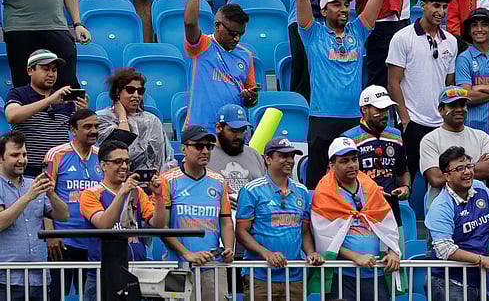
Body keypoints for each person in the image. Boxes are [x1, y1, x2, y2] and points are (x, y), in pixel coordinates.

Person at [294, 0, 392, 188]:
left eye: (346, 4)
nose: (343, 8)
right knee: (318, 184)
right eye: (336, 5)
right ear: (324, 10)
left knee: (352, 183)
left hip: (353, 120)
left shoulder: (358, 30)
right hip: (322, 117)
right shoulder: (312, 32)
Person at [312, 137, 403, 301]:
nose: (352, 165)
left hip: (374, 274)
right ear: (332, 166)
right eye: (344, 161)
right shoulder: (324, 193)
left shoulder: (371, 188)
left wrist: (393, 252)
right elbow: (324, 239)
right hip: (342, 275)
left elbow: (387, 226)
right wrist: (356, 257)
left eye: (354, 159)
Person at [235, 137, 322, 301]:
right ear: (267, 159)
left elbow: (304, 231)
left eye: (291, 156)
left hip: (294, 275)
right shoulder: (251, 190)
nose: (289, 160)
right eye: (283, 156)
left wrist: (310, 253)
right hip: (260, 274)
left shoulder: (302, 191)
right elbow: (241, 232)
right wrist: (267, 254)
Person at [387, 0, 457, 183]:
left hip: (440, 123)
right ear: (423, 5)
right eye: (436, 6)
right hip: (412, 123)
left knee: (442, 181)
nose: (440, 12)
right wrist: (405, 120)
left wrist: (446, 118)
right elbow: (393, 82)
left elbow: (449, 84)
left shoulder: (450, 41)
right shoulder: (402, 38)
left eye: (444, 7)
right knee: (404, 180)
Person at [156, 126, 236, 301]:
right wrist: (186, 253)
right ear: (184, 148)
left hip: (212, 264)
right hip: (177, 266)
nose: (205, 151)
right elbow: (163, 227)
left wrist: (229, 247)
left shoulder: (218, 181)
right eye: (199, 146)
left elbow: (226, 221)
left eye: (209, 146)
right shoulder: (168, 180)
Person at [425, 145, 489, 301]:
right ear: (447, 176)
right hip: (448, 283)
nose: (467, 172)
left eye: (469, 166)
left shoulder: (481, 189)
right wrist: (482, 260)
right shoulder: (441, 205)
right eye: (460, 168)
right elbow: (445, 250)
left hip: (477, 280)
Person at [78, 140, 160, 301]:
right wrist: (122, 193)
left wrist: (158, 194)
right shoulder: (90, 194)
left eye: (127, 162)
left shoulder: (137, 192)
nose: (124, 166)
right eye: (117, 161)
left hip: (135, 270)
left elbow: (158, 224)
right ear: (103, 165)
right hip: (101, 273)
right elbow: (104, 224)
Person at [182, 0, 257, 130]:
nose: (236, 39)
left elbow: (252, 97)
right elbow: (190, 23)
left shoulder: (245, 55)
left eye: (240, 34)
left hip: (234, 132)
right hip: (202, 130)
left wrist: (250, 98)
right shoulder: (201, 45)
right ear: (217, 25)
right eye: (232, 33)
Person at [0, 131, 70, 301]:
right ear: (1, 158)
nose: (22, 160)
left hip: (39, 279)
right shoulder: (31, 190)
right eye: (15, 155)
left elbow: (63, 216)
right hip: (6, 280)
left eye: (24, 154)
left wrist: (52, 194)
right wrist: (28, 197)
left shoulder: (35, 185)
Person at [42, 107, 99, 297]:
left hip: (93, 241)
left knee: (92, 296)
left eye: (96, 126)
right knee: (57, 295)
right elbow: (44, 194)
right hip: (63, 241)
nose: (93, 131)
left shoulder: (103, 157)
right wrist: (50, 234)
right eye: (87, 126)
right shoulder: (55, 154)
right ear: (73, 130)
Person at [5, 50, 85, 178]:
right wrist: (49, 100)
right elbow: (12, 116)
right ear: (30, 70)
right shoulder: (19, 93)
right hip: (28, 171)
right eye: (45, 69)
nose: (51, 74)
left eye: (54, 70)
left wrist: (82, 113)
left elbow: (80, 136)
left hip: (60, 171)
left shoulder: (65, 98)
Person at [419, 86, 489, 206]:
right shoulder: (430, 140)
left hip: (477, 209)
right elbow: (436, 178)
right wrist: (476, 165)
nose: (459, 109)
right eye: (452, 105)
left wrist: (450, 171)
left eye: (462, 104)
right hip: (443, 210)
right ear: (441, 110)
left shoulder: (481, 136)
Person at [341, 85, 411, 215]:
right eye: (380, 109)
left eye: (387, 109)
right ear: (364, 109)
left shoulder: (396, 135)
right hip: (360, 208)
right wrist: (368, 190)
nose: (385, 114)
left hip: (391, 208)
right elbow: (340, 178)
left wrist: (405, 187)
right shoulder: (348, 139)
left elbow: (403, 171)